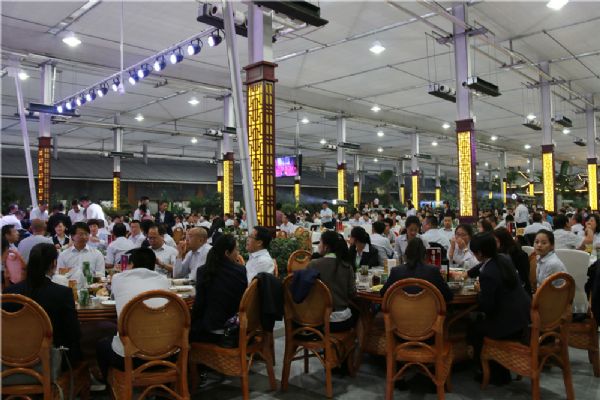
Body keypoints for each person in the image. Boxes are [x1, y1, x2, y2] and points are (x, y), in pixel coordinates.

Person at [96, 247, 170, 382]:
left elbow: (113, 296)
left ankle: (107, 384)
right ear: (153, 265)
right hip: (168, 354)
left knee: (102, 344)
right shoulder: (164, 280)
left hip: (130, 358)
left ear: (131, 264)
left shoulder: (118, 278)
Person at [468, 233, 531, 385]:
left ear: (480, 253)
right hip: (523, 318)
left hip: (506, 324)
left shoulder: (488, 274)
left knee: (473, 327)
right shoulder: (504, 258)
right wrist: (469, 273)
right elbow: (482, 266)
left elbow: (487, 307)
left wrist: (479, 292)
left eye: (474, 252)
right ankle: (499, 369)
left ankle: (491, 372)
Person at [5, 243, 82, 366]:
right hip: (51, 359)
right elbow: (73, 333)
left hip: (12, 359)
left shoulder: (9, 293)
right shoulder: (62, 293)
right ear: (54, 264)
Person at [190, 234, 248, 343]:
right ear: (227, 253)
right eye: (237, 249)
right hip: (236, 327)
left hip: (214, 330)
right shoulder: (241, 270)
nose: (238, 253)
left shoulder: (204, 271)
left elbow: (199, 304)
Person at [308, 230, 357, 332]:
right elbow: (352, 293)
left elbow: (307, 291)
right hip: (342, 320)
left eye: (320, 242)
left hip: (319, 320)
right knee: (358, 313)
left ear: (326, 247)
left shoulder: (314, 264)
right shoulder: (347, 266)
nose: (318, 246)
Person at [380, 237, 453, 303]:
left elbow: (383, 293)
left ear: (406, 253)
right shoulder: (433, 271)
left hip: (399, 312)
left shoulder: (396, 271)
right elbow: (448, 296)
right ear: (424, 254)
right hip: (428, 312)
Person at [57, 222, 105, 288]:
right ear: (72, 236)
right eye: (81, 234)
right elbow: (60, 277)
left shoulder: (97, 254)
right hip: (69, 289)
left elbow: (100, 275)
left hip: (91, 289)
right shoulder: (63, 255)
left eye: (86, 234)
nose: (84, 237)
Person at [493, 227, 532, 294]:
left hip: (519, 292)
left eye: (496, 241)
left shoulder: (519, 255)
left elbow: (523, 278)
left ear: (503, 241)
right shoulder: (498, 254)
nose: (494, 245)